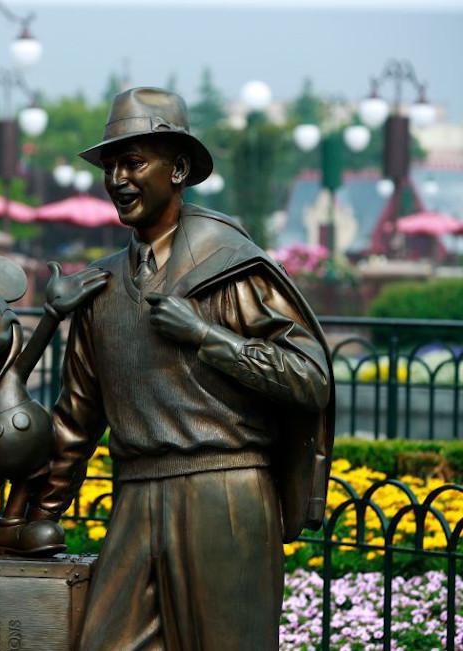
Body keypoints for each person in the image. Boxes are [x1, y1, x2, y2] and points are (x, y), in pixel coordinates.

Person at [27, 88, 335, 650]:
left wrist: (207, 336)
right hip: (136, 497)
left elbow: (310, 379)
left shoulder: (232, 269)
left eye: (135, 161)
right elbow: (75, 417)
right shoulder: (101, 287)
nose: (118, 178)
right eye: (111, 165)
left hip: (225, 494)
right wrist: (32, 516)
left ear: (181, 168)